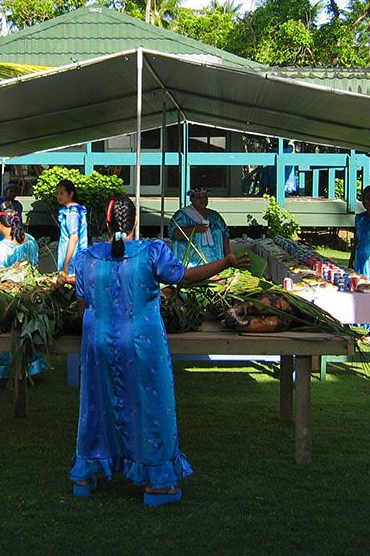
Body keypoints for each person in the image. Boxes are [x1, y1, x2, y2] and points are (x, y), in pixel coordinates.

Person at [68, 194, 250, 507]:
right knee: (151, 407)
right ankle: (158, 484)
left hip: (97, 340)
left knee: (98, 405)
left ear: (106, 222)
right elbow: (185, 278)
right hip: (142, 342)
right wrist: (226, 261)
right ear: (136, 221)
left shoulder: (85, 259)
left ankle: (86, 475)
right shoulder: (152, 252)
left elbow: (83, 305)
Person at [0, 200, 46, 380]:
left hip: (7, 304)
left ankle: (4, 372)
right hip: (30, 300)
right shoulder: (32, 241)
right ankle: (32, 369)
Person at [167, 188, 230, 267]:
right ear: (192, 199)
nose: (203, 200)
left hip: (215, 263)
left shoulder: (215, 216)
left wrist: (228, 260)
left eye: (205, 197)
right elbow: (174, 234)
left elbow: (225, 236)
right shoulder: (182, 215)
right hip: (191, 264)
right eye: (199, 198)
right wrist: (195, 229)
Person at [55, 179, 88, 275]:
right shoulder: (72, 210)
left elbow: (74, 238)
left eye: (62, 193)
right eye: (57, 193)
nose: (59, 196)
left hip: (72, 259)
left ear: (71, 194)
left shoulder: (73, 213)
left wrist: (66, 264)